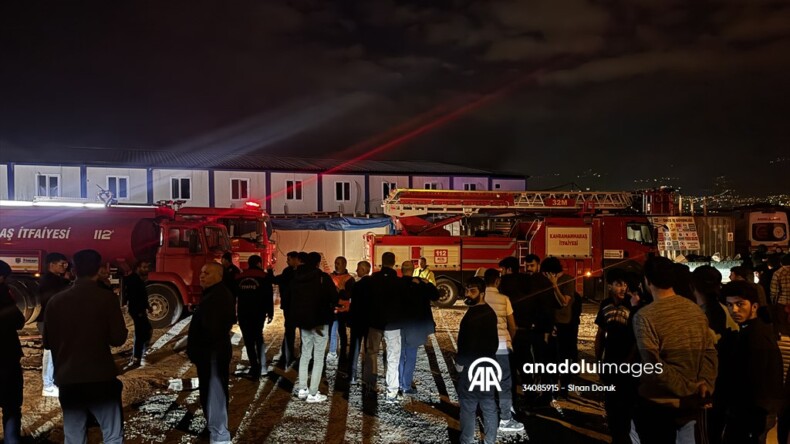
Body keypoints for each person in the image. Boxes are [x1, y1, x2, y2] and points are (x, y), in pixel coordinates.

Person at [43, 249, 128, 444]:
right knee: (113, 435)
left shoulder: (56, 302)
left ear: (73, 270)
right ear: (98, 270)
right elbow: (118, 338)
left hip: (68, 379)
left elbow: (47, 343)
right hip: (100, 378)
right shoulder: (106, 299)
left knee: (73, 437)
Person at [632, 256, 718, 444]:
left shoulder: (644, 316)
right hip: (692, 403)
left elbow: (653, 365)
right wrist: (704, 384)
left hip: (658, 404)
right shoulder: (695, 310)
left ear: (647, 281)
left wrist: (686, 388)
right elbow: (709, 353)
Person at [721, 281, 784, 444]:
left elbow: (755, 380)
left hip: (752, 413)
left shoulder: (755, 336)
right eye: (729, 305)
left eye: (740, 304)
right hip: (754, 412)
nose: (734, 310)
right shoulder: (752, 330)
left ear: (754, 306)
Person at [186, 262, 235, 444]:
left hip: (213, 355)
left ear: (218, 276)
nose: (202, 276)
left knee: (215, 394)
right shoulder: (212, 294)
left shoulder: (218, 296)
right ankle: (214, 429)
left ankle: (220, 435)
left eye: (206, 273)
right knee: (210, 392)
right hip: (209, 354)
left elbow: (213, 328)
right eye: (201, 272)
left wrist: (199, 347)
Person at [594, 269, 640, 444]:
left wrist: (630, 360)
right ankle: (616, 436)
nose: (623, 288)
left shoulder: (633, 305)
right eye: (619, 284)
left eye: (625, 284)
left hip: (629, 362)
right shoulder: (605, 304)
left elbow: (638, 337)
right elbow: (600, 333)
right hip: (610, 360)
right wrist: (598, 359)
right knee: (611, 402)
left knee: (627, 403)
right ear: (610, 286)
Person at [456, 277, 500, 444]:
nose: (468, 294)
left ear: (482, 293)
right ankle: (490, 440)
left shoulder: (472, 315)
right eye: (467, 290)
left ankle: (467, 440)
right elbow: (494, 342)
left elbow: (465, 343)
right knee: (488, 405)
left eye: (472, 291)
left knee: (468, 407)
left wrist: (460, 364)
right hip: (488, 365)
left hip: (471, 367)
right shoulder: (490, 312)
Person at [481, 268, 524, 432]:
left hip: (484, 347)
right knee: (504, 382)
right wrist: (509, 339)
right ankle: (505, 418)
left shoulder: (481, 298)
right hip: (501, 345)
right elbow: (512, 326)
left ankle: (488, 416)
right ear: (498, 281)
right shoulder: (504, 299)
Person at [290, 252, 336, 403]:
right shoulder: (323, 277)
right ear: (317, 263)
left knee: (305, 354)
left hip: (304, 322)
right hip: (320, 322)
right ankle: (313, 392)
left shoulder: (297, 277)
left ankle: (302, 388)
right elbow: (333, 298)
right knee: (318, 357)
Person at [364, 252, 406, 402]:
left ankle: (370, 385)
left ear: (381, 262)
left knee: (371, 354)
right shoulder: (399, 282)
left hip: (375, 323)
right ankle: (391, 392)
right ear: (394, 263)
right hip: (393, 324)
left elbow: (366, 300)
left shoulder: (372, 280)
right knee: (393, 357)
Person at [398, 260, 440, 396]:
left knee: (399, 356)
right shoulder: (420, 284)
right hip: (415, 326)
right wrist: (427, 284)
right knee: (411, 356)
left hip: (398, 325)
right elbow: (436, 296)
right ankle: (406, 385)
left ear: (401, 270)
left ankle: (398, 382)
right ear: (413, 269)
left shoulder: (396, 284)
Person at [235, 255, 274, 379]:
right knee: (258, 337)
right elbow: (269, 296)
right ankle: (262, 367)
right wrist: (270, 312)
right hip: (258, 313)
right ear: (258, 263)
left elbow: (234, 296)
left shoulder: (239, 277)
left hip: (243, 312)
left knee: (248, 341)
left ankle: (254, 367)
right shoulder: (264, 277)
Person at [38, 252, 70, 397]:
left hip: (52, 320)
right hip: (48, 320)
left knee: (54, 352)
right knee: (50, 352)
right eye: (61, 264)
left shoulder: (56, 280)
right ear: (51, 265)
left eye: (66, 264)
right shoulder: (50, 281)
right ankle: (48, 385)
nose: (64, 266)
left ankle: (52, 381)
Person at [0, 260, 25, 444]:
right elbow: (18, 321)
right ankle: (11, 440)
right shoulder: (3, 294)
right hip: (6, 355)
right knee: (11, 405)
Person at [123, 260, 152, 369]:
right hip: (137, 310)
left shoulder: (137, 279)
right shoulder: (133, 280)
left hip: (139, 309)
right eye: (144, 267)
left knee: (145, 330)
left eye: (147, 267)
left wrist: (147, 306)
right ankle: (137, 357)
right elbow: (134, 297)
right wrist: (140, 310)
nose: (146, 269)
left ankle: (139, 355)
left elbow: (142, 295)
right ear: (137, 267)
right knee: (142, 332)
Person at [347, 261, 372, 384]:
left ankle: (352, 375)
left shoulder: (357, 285)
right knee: (369, 350)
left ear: (363, 269)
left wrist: (350, 321)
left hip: (357, 321)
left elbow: (353, 305)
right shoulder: (374, 284)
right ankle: (367, 376)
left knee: (354, 349)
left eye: (358, 269)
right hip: (370, 322)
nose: (356, 271)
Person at [275, 251, 300, 366]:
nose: (287, 261)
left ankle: (288, 356)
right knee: (294, 332)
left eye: (289, 259)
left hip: (290, 307)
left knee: (290, 332)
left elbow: (277, 280)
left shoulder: (289, 272)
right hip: (295, 306)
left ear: (296, 259)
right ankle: (290, 356)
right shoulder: (291, 271)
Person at [328, 256, 353, 360]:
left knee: (342, 332)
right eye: (335, 262)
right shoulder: (330, 277)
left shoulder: (349, 279)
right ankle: (332, 351)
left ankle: (343, 353)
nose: (336, 265)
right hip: (332, 308)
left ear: (344, 264)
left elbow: (349, 295)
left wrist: (340, 292)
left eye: (338, 263)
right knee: (332, 332)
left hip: (343, 310)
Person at [769, 254, 790, 337]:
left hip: (782, 304)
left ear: (781, 263)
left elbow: (774, 291)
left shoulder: (778, 273)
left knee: (783, 325)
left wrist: (773, 303)